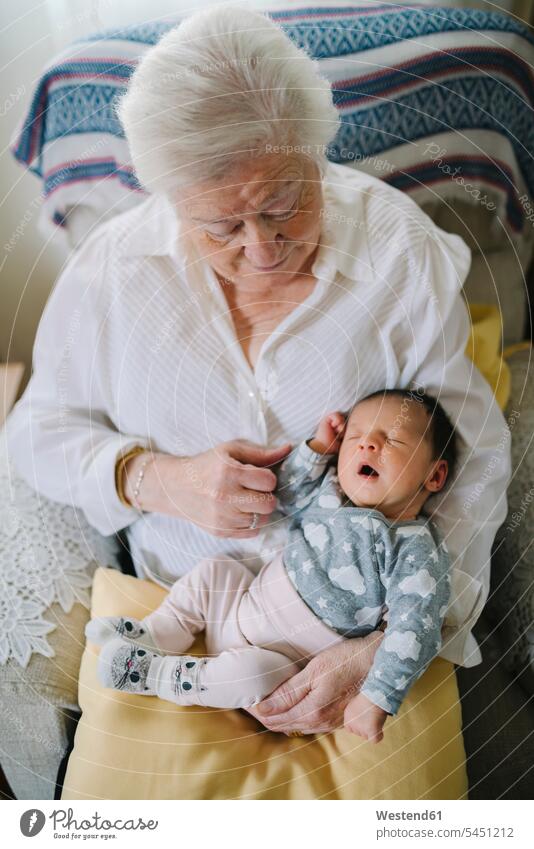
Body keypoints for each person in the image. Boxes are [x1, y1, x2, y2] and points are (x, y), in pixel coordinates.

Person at [6, 5, 510, 738]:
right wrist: (153, 477)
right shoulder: (113, 273)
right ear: (171, 199)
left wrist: (384, 650)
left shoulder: (398, 250)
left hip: (369, 642)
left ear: (315, 150)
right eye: (222, 226)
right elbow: (35, 430)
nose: (265, 247)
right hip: (184, 616)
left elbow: (474, 461)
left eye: (285, 204)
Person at [87, 389, 457, 744]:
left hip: (283, 669)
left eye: (390, 440)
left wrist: (376, 698)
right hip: (239, 608)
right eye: (355, 437)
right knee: (218, 571)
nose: (367, 444)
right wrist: (316, 450)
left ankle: (154, 674)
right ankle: (153, 635)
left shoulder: (414, 547)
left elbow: (415, 629)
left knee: (252, 674)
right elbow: (283, 493)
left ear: (435, 476)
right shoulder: (329, 492)